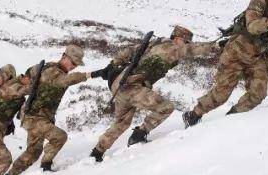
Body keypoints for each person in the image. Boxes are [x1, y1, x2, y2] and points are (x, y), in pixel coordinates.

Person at [90, 25, 220, 160]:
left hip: (120, 84)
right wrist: (216, 46)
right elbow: (191, 50)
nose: (186, 44)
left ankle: (97, 152)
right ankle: (138, 135)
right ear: (177, 39)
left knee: (121, 123)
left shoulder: (154, 43)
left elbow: (129, 51)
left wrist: (113, 64)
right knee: (166, 107)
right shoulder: (171, 48)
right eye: (185, 41)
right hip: (132, 87)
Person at [184, 0, 268, 127]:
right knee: (221, 96)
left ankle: (232, 120)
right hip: (235, 53)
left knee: (258, 94)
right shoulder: (260, 1)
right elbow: (252, 27)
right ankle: (193, 115)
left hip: (257, 55)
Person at [5, 45, 89, 175]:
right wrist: (87, 75)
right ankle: (46, 166)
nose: (74, 66)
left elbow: (30, 72)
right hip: (34, 118)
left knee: (33, 152)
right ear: (64, 57)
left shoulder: (46, 67)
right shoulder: (53, 72)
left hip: (39, 116)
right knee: (59, 137)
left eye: (77, 65)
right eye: (73, 63)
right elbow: (63, 81)